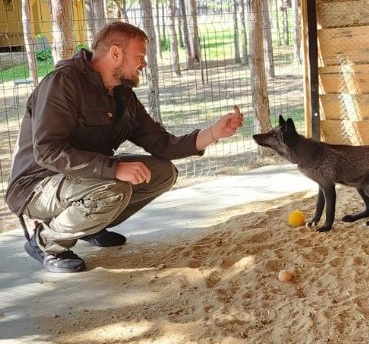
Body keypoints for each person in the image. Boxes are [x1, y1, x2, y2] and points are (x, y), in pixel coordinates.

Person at [4, 21, 244, 273]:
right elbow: (47, 151)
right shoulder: (63, 83)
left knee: (162, 173)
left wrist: (214, 133)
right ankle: (45, 242)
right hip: (37, 185)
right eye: (139, 56)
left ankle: (90, 226)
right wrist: (113, 169)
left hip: (86, 180)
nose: (144, 63)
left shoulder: (122, 95)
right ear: (115, 53)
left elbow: (162, 144)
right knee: (113, 188)